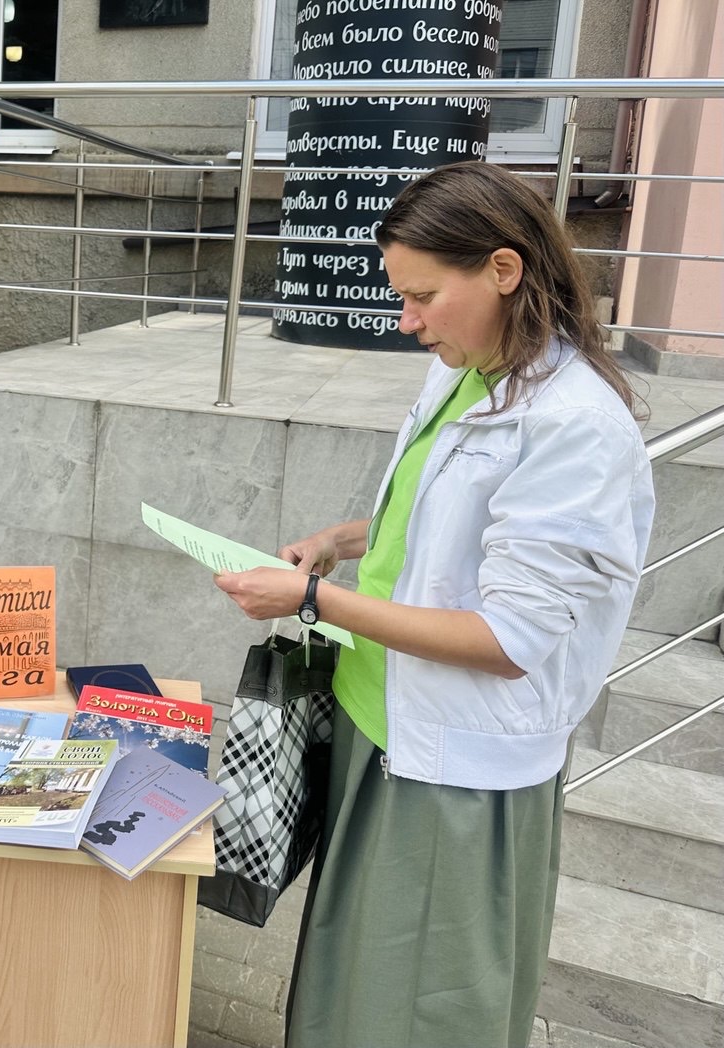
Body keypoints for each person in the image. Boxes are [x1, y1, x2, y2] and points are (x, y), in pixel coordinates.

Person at [213, 161, 655, 1048]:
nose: (406, 321)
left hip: (451, 767)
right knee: (354, 988)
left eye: (422, 297)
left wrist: (313, 599)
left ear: (503, 270)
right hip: (377, 727)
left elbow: (508, 639)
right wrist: (343, 541)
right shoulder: (468, 371)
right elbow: (438, 521)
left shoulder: (574, 424)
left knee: (417, 1008)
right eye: (400, 296)